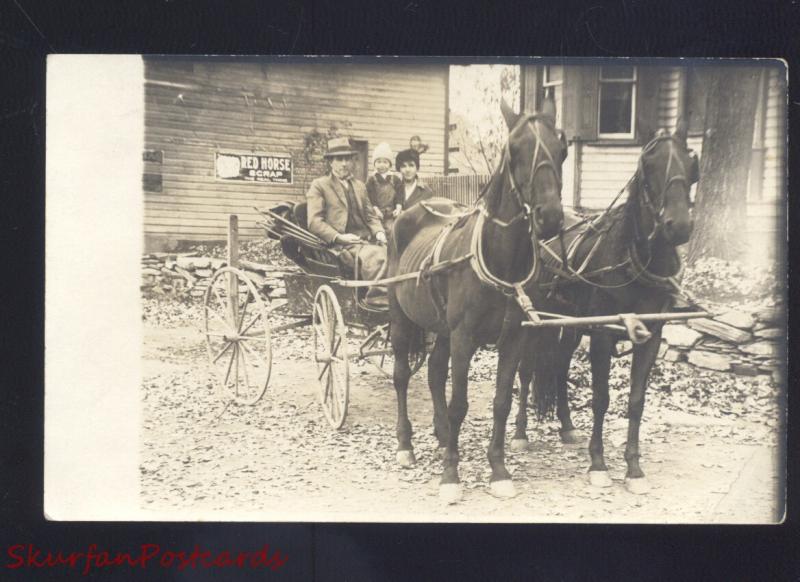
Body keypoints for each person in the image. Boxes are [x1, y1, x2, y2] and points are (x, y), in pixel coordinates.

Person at [306, 136, 388, 304]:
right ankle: (378, 299)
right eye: (339, 159)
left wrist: (379, 232)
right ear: (331, 162)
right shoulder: (320, 185)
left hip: (365, 240)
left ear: (352, 162)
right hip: (341, 244)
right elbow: (314, 222)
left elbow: (370, 215)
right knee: (377, 256)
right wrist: (339, 237)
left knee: (397, 252)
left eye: (347, 159)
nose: (344, 163)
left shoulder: (359, 186)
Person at [365, 142, 403, 231]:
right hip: (376, 214)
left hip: (391, 214)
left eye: (385, 162)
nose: (382, 165)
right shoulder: (371, 180)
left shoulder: (395, 179)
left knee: (391, 230)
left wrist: (398, 207)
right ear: (374, 164)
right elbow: (370, 197)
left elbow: (400, 195)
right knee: (377, 231)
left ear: (390, 164)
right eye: (379, 162)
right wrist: (376, 209)